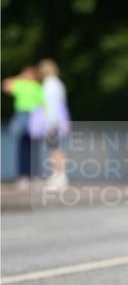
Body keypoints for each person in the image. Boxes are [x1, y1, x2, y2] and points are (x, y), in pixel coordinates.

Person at [2, 66, 44, 190]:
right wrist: (19, 77)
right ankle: (24, 176)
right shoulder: (22, 84)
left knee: (33, 147)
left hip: (34, 116)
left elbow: (43, 103)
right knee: (23, 146)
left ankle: (33, 176)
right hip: (22, 115)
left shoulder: (35, 86)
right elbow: (5, 86)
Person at [38, 59, 71, 190]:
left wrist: (50, 123)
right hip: (59, 119)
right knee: (56, 148)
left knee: (54, 150)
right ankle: (58, 176)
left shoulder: (49, 84)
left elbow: (51, 105)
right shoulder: (57, 83)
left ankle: (59, 177)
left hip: (54, 121)